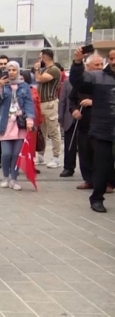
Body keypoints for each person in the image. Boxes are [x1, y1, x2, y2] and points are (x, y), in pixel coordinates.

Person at [68, 47, 115, 213]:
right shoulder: (97, 77)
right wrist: (78, 62)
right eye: (111, 58)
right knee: (102, 166)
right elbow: (77, 81)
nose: (114, 61)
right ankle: (97, 198)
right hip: (103, 129)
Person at [0, 61, 35, 190]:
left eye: (14, 70)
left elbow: (29, 103)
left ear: (18, 71)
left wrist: (30, 118)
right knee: (6, 154)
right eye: (9, 70)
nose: (11, 72)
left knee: (16, 154)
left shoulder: (24, 86)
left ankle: (14, 178)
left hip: (19, 123)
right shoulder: (3, 85)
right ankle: (5, 176)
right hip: (5, 123)